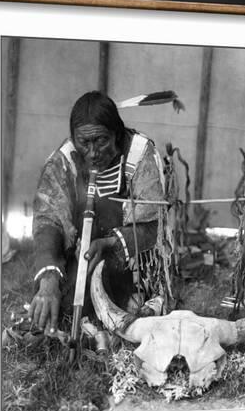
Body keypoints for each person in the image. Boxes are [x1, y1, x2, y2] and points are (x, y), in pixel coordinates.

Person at [29, 91, 166, 333]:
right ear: (74, 138)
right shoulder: (65, 159)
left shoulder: (139, 154)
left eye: (101, 140)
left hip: (130, 257)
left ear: (117, 133)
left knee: (126, 305)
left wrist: (111, 244)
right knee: (64, 301)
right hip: (81, 251)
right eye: (85, 143)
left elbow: (153, 226)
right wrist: (49, 279)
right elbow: (48, 219)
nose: (93, 153)